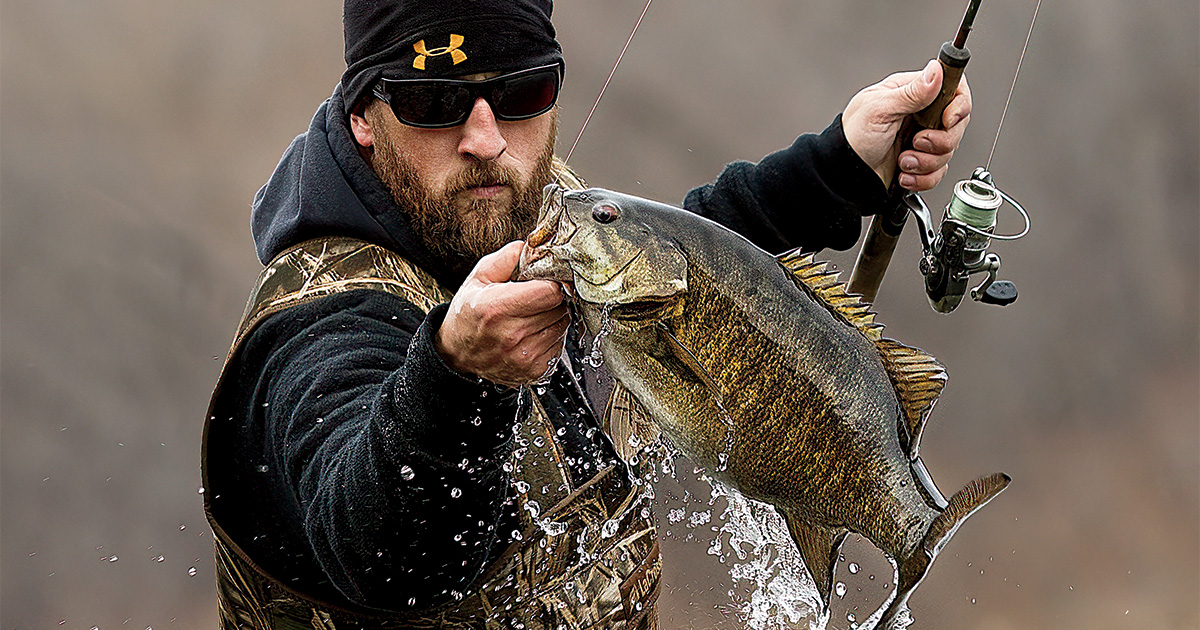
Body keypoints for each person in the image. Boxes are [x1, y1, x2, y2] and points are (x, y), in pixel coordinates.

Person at [201, 0, 972, 628]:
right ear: (364, 116)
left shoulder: (521, 219)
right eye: (434, 101)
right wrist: (455, 374)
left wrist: (839, 165)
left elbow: (674, 271)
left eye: (521, 93)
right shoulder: (316, 326)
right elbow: (388, 561)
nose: (484, 137)